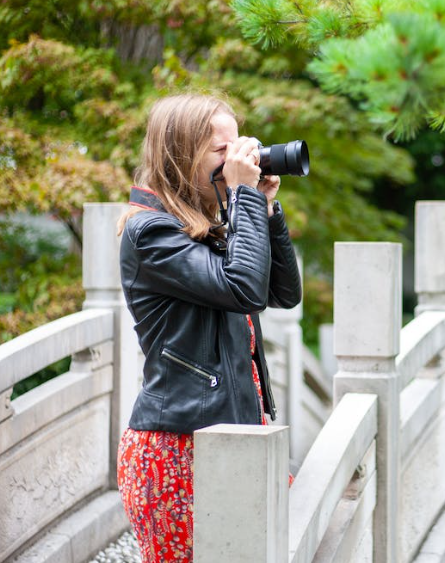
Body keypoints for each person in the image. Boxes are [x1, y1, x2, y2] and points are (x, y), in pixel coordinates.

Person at [115, 93, 302, 563]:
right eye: (222, 151)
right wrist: (242, 198)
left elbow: (282, 292)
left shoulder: (208, 226)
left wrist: (264, 207)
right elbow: (242, 289)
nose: (237, 158)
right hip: (179, 451)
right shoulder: (150, 233)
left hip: (235, 434)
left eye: (238, 146)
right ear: (181, 155)